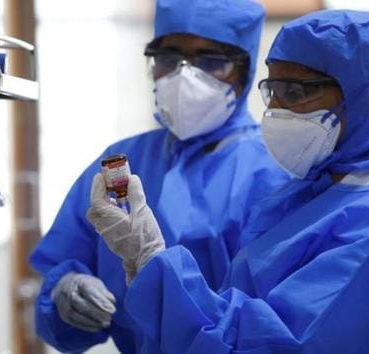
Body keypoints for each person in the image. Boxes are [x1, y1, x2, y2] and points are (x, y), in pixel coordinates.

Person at [87, 9, 369, 353]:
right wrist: (146, 267)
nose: (275, 110)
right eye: (272, 91)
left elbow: (265, 344)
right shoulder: (309, 200)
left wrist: (153, 263)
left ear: (364, 101)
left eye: (294, 93)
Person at [30, 0, 290, 352]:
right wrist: (66, 291)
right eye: (167, 59)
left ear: (244, 71)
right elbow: (63, 267)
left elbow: (287, 318)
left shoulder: (280, 170)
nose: (184, 76)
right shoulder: (120, 163)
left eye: (211, 61)